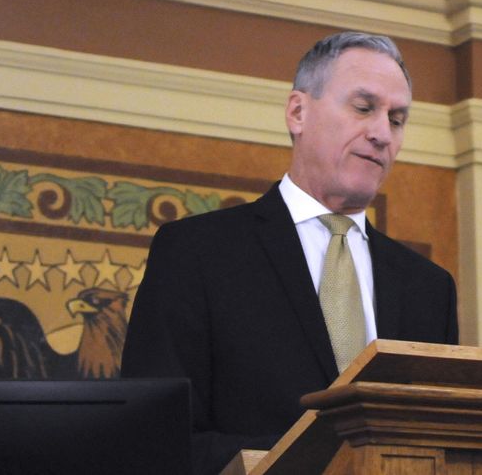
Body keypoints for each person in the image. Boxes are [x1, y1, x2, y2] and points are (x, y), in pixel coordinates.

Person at [120, 32, 458, 475]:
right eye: (363, 108)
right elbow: (155, 438)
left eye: (396, 119)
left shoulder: (428, 288)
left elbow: (441, 443)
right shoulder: (198, 253)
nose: (381, 134)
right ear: (298, 112)